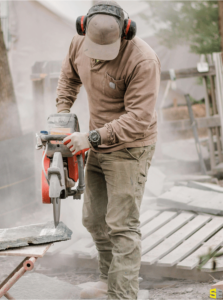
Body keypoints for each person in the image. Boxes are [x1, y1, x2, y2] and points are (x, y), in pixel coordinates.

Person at [56, 1, 160, 299]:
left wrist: (92, 138)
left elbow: (139, 118)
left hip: (130, 148)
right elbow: (68, 78)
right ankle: (107, 280)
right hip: (97, 142)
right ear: (83, 28)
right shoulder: (79, 42)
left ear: (126, 32)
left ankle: (123, 294)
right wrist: (62, 116)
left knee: (122, 225)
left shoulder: (143, 60)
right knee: (94, 218)